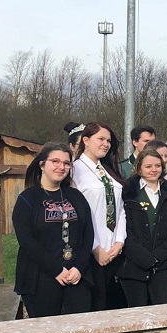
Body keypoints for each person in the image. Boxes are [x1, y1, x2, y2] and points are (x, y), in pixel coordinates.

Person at [13, 142, 93, 317]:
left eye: (66, 163)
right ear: (42, 164)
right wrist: (56, 270)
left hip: (76, 276)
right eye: (55, 161)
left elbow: (88, 234)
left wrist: (79, 267)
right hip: (41, 278)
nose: (61, 167)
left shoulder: (76, 196)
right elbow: (26, 240)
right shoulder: (28, 199)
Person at [72, 122, 127, 311]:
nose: (106, 144)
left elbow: (120, 209)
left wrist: (119, 242)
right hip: (90, 252)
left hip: (112, 250)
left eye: (109, 140)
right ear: (86, 141)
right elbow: (77, 215)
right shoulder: (75, 170)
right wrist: (95, 248)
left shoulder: (106, 170)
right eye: (101, 139)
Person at [120, 148, 167, 306]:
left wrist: (158, 256)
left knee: (162, 316)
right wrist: (144, 257)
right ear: (139, 167)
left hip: (162, 266)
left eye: (157, 165)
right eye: (148, 166)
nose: (153, 170)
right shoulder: (129, 192)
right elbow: (124, 228)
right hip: (134, 266)